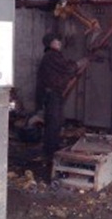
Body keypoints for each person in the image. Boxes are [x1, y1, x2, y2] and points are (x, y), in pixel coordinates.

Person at [36, 33, 87, 164]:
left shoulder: (51, 56)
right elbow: (66, 67)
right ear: (50, 44)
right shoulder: (52, 56)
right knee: (54, 122)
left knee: (55, 122)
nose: (59, 42)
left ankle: (51, 149)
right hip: (52, 94)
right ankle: (51, 152)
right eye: (56, 41)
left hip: (52, 94)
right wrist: (79, 63)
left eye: (59, 40)